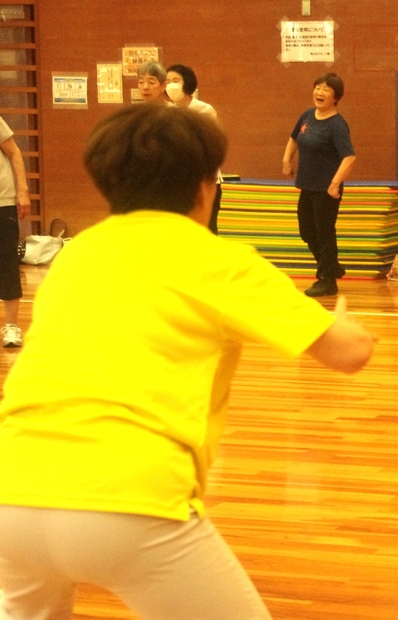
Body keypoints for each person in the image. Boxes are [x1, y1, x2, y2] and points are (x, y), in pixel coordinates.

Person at [0, 104, 376, 618]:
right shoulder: (220, 261)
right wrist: (349, 327)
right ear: (206, 187)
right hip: (132, 498)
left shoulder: (77, 255)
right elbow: (349, 353)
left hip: (12, 492)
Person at [282, 73, 356, 298]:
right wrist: (286, 160)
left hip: (326, 190)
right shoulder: (307, 115)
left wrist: (334, 184)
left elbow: (349, 157)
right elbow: (294, 138)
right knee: (307, 232)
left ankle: (327, 280)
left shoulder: (337, 125)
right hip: (307, 186)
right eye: (317, 87)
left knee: (324, 234)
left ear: (336, 97)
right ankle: (331, 267)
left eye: (326, 89)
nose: (319, 92)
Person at [166, 64, 224, 235]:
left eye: (175, 80)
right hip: (177, 181)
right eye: (167, 81)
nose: (171, 85)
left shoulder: (204, 110)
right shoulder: (167, 112)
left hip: (204, 180)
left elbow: (212, 145)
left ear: (187, 83)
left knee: (206, 229)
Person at [0, 116, 31, 348]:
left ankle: (11, 325)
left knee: (7, 262)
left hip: (3, 201)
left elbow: (14, 152)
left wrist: (22, 190)